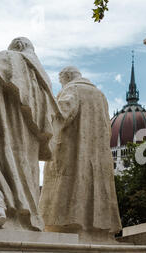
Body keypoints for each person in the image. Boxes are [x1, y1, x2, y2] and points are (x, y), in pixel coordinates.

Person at [0, 37, 58, 231]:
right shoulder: (41, 79)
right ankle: (22, 217)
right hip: (27, 142)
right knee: (24, 173)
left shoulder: (1, 59)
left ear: (16, 47)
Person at [39, 66, 122, 242]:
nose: (61, 85)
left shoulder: (72, 89)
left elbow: (60, 113)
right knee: (94, 188)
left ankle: (66, 225)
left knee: (68, 187)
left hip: (71, 151)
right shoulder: (100, 95)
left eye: (61, 82)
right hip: (97, 155)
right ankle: (96, 230)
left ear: (66, 77)